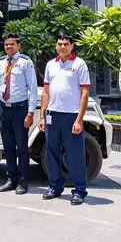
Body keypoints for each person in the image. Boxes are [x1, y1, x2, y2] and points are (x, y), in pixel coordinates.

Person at [39, 34, 90, 205]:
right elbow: (46, 92)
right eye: (60, 44)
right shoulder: (50, 65)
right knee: (52, 152)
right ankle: (55, 187)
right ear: (56, 46)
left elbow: (84, 93)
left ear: (72, 46)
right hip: (53, 115)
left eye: (66, 44)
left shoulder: (79, 64)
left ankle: (79, 191)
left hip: (71, 116)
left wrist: (79, 119)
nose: (62, 47)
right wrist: (42, 116)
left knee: (75, 154)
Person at [0, 33, 38, 195]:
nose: (9, 47)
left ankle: (22, 182)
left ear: (19, 46)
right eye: (6, 44)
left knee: (22, 148)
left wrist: (30, 113)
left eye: (12, 44)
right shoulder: (0, 63)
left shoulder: (25, 63)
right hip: (4, 108)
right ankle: (11, 180)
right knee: (8, 148)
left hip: (20, 109)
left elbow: (32, 89)